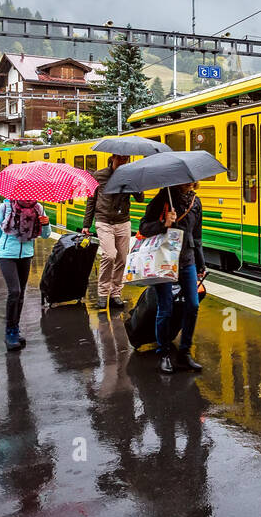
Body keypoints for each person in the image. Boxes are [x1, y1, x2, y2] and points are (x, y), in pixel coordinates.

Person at [139, 182, 206, 374]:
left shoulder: (195, 202)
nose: (189, 182)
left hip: (187, 260)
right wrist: (163, 223)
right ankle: (164, 353)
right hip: (164, 260)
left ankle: (184, 353)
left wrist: (200, 263)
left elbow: (197, 235)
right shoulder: (162, 198)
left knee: (193, 305)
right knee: (165, 308)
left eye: (191, 179)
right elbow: (143, 227)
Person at [0, 197, 51, 351]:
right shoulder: (4, 208)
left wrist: (46, 224)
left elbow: (46, 235)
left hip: (26, 254)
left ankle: (15, 329)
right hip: (6, 255)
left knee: (20, 295)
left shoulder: (38, 208)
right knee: (15, 291)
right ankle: (9, 332)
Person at [80, 154, 143, 309]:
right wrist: (87, 224)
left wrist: (134, 183)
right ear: (113, 158)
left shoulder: (129, 176)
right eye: (120, 158)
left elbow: (140, 199)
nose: (123, 161)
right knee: (109, 255)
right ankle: (102, 293)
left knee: (122, 258)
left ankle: (115, 294)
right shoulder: (99, 175)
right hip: (104, 221)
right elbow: (91, 200)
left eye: (125, 159)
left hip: (123, 222)